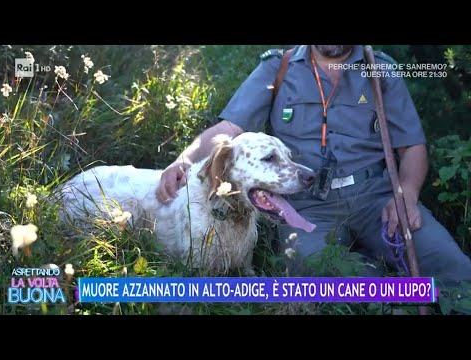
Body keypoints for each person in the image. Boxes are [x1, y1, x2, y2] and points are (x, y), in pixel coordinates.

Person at [157, 45, 471, 308]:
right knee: (315, 273)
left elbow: (412, 146)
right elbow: (229, 129)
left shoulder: (381, 69)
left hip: (377, 198)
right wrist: (183, 161)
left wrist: (407, 194)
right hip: (304, 206)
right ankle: (389, 298)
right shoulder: (277, 67)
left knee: (455, 269)